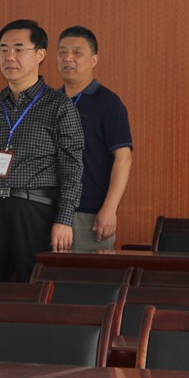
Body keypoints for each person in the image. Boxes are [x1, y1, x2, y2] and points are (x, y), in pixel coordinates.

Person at [0, 19, 84, 282]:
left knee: (35, 289)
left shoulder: (59, 106)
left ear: (40, 54)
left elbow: (72, 170)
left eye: (18, 49)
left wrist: (64, 220)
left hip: (34, 211)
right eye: (3, 50)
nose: (9, 57)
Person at [57, 26, 133, 251]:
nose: (68, 58)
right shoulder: (50, 102)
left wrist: (109, 209)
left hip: (89, 214)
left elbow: (123, 158)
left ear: (93, 60)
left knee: (86, 273)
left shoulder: (108, 103)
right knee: (46, 272)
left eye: (77, 53)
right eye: (62, 52)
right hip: (50, 211)